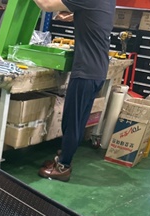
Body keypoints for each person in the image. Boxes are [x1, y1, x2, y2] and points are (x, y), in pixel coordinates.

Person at [32, 0, 116, 181]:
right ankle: (64, 156)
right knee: (78, 121)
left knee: (71, 122)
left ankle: (63, 166)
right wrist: (73, 14)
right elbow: (92, 15)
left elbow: (46, 5)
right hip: (97, 70)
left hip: (85, 71)